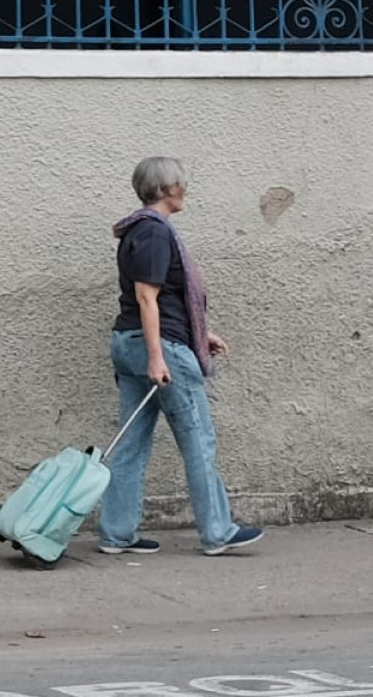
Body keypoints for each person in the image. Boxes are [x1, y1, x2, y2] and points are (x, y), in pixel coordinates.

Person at [96, 156, 264, 557]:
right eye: (180, 184)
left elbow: (163, 299)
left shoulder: (138, 231)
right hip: (157, 348)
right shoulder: (155, 232)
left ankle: (117, 533)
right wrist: (158, 357)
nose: (185, 190)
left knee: (132, 442)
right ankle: (217, 531)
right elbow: (146, 297)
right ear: (165, 189)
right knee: (198, 439)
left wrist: (200, 334)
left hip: (131, 342)